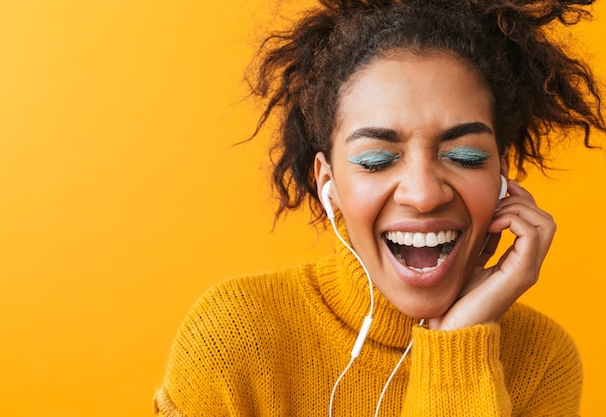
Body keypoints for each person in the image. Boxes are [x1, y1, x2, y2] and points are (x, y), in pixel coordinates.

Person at [153, 0, 605, 415]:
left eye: (466, 156)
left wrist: (457, 347)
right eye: (376, 160)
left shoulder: (542, 360)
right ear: (328, 185)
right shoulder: (232, 339)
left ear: (502, 179)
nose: (425, 194)